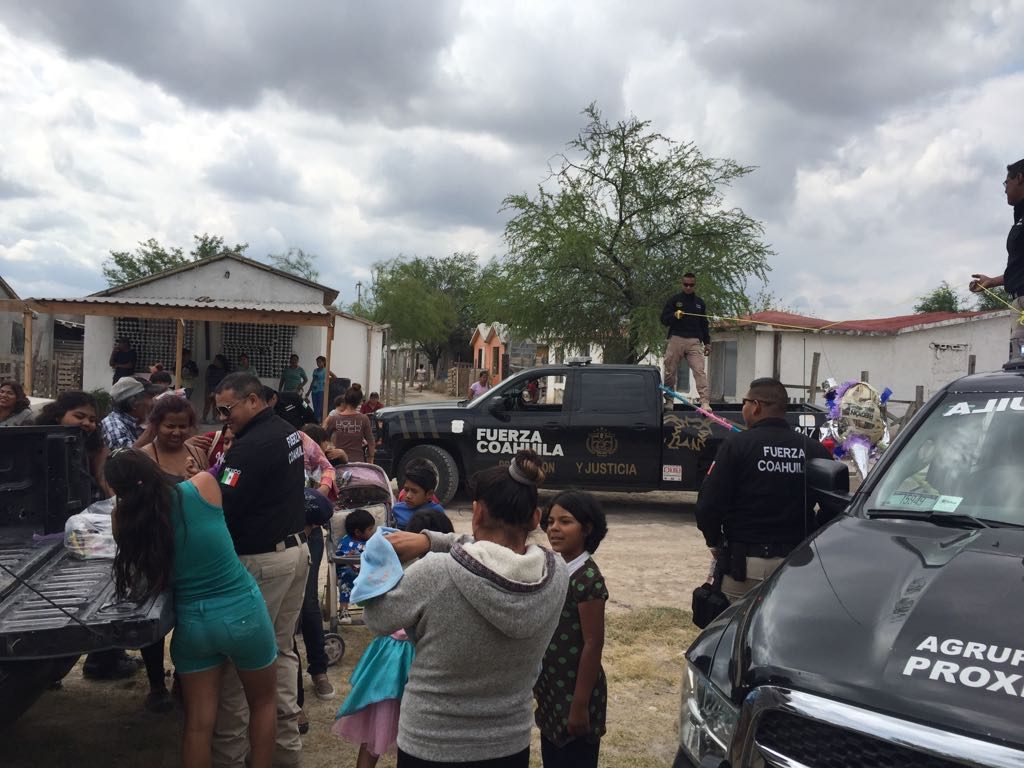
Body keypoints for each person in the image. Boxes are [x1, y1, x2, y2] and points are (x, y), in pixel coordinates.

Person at [362, 450, 568, 767]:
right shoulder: (556, 574)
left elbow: (376, 618)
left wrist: (380, 559)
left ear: (477, 512)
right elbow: (487, 552)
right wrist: (431, 540)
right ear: (536, 518)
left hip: (431, 743)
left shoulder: (435, 573)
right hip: (509, 743)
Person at [104, 449, 278, 768]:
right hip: (243, 612)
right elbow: (221, 476)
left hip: (193, 624)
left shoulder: (123, 522)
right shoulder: (201, 487)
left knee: (198, 724)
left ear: (115, 489)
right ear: (154, 468)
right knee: (263, 703)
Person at [211, 372, 310, 768]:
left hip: (263, 563)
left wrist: (199, 483)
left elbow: (223, 504)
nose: (223, 418)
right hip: (294, 552)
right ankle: (285, 752)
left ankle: (229, 757)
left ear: (253, 400)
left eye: (227, 409)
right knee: (280, 654)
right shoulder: (286, 431)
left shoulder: (249, 448)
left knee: (242, 666)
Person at [695, 377, 837, 603]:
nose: (743, 408)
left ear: (756, 406)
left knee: (734, 624)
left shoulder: (737, 446)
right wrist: (813, 531)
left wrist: (715, 542)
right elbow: (837, 504)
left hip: (745, 567)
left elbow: (708, 506)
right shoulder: (813, 449)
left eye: (744, 402)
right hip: (797, 565)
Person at [331, 513, 451, 768]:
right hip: (410, 655)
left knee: (375, 730)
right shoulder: (446, 574)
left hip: (390, 655)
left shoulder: (397, 568)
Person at [535, 491, 609, 767]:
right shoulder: (555, 568)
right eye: (550, 521)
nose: (554, 528)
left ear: (587, 528)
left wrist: (579, 704)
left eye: (565, 522)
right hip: (552, 688)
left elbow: (593, 642)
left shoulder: (588, 578)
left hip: (576, 691)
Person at [970, 158, 1024, 361]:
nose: (1005, 189)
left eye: (1006, 182)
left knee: (1019, 365)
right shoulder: (1019, 216)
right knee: (1017, 364)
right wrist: (992, 281)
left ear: (1020, 178)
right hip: (1019, 301)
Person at [35, 390, 111, 499]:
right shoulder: (35, 446)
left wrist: (101, 472)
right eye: (79, 416)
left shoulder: (97, 451)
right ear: (58, 416)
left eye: (92, 420)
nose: (87, 423)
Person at [660, 272, 712, 408]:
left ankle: (705, 402)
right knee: (670, 370)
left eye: (691, 285)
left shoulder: (699, 303)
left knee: (699, 370)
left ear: (695, 285)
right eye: (686, 284)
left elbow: (704, 323)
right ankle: (669, 400)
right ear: (682, 284)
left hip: (694, 341)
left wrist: (707, 342)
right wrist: (674, 315)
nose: (688, 287)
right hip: (676, 338)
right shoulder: (674, 300)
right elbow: (664, 319)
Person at [335, 508, 376, 625]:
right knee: (347, 576)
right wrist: (347, 556)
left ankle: (373, 610)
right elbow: (338, 557)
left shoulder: (373, 541)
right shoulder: (345, 541)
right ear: (358, 532)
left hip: (368, 570)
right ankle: (343, 610)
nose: (372, 532)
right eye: (369, 529)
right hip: (349, 570)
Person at [100, 376, 161, 452]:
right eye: (150, 398)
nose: (154, 402)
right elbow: (126, 456)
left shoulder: (134, 423)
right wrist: (154, 425)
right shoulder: (113, 425)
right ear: (134, 403)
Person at [324, 387, 374, 464]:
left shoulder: (334, 418)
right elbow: (371, 441)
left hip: (339, 462)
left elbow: (324, 439)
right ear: (360, 402)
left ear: (345, 399)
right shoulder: (364, 419)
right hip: (357, 462)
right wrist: (371, 459)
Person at [392, 460, 447, 529]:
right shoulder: (397, 509)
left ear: (429, 494)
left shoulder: (436, 513)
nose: (408, 496)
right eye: (406, 490)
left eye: (414, 491)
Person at [306, 355, 335, 424]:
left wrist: (328, 380)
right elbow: (313, 381)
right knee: (315, 408)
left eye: (319, 362)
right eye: (317, 362)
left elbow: (334, 377)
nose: (318, 363)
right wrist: (308, 392)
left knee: (319, 408)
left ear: (324, 362)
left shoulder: (326, 370)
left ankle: (319, 423)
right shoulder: (315, 371)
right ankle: (316, 422)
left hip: (321, 391)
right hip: (314, 391)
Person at [203, 355, 231, 422]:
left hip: (218, 389)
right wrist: (208, 389)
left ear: (220, 361)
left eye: (216, 360)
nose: (214, 361)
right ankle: (204, 418)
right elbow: (206, 378)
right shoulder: (211, 367)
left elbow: (225, 380)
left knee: (215, 404)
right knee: (207, 404)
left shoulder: (224, 370)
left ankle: (214, 418)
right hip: (209, 388)